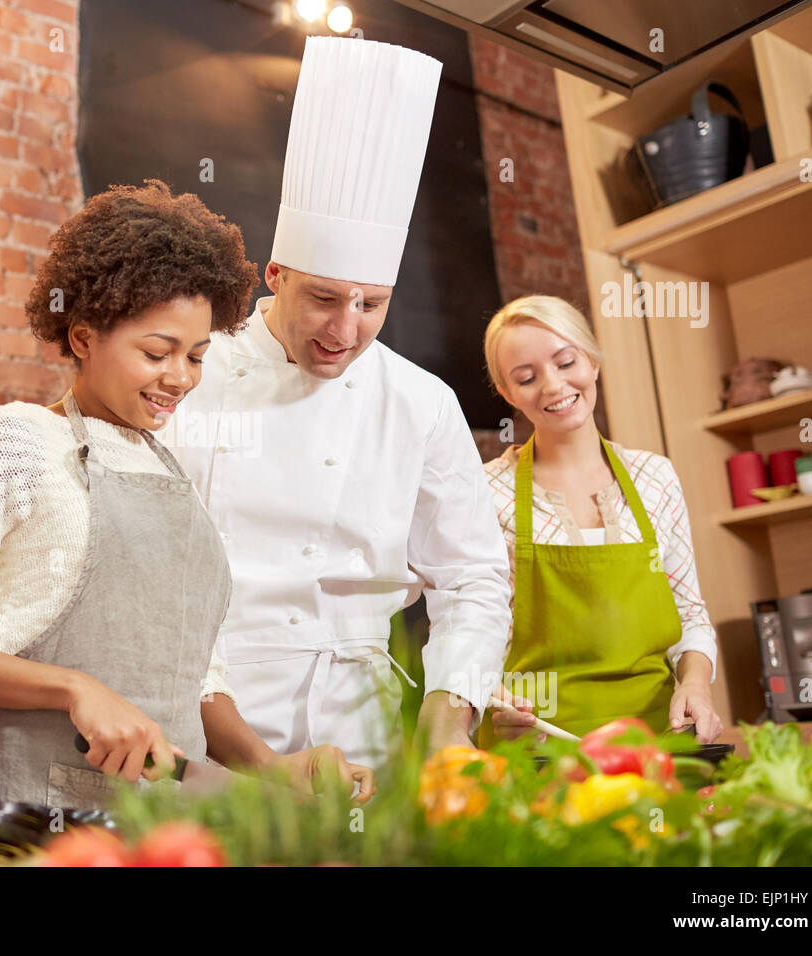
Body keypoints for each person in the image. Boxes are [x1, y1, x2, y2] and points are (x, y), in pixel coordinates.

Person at [0, 180, 375, 816]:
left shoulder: (171, 473)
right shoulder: (16, 442)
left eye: (195, 355)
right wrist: (72, 689)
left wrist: (271, 769)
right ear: (82, 338)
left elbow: (195, 683)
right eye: (157, 352)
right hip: (36, 833)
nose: (180, 378)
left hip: (171, 837)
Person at [164, 36, 513, 770]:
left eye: (371, 305)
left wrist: (450, 723)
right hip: (210, 728)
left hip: (368, 735)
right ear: (276, 273)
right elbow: (148, 568)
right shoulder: (192, 373)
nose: (344, 330)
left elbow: (472, 577)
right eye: (323, 298)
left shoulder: (420, 402)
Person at [479, 295, 725, 744]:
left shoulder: (655, 477)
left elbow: (689, 615)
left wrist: (695, 686)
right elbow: (470, 634)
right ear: (508, 393)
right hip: (535, 749)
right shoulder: (485, 492)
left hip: (655, 744)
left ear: (592, 361)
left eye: (566, 361)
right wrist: (490, 697)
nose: (553, 386)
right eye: (527, 377)